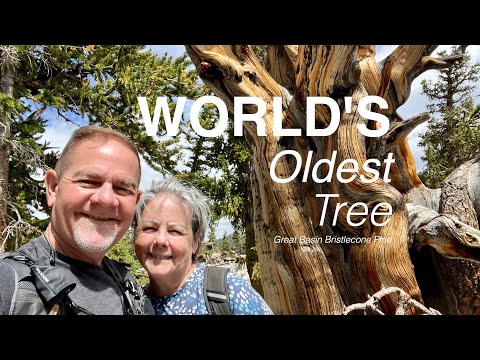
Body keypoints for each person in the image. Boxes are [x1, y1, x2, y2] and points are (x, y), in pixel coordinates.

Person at [0, 125, 152, 315]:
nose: (105, 199)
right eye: (88, 181)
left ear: (135, 202)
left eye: (122, 188)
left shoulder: (132, 290)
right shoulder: (8, 283)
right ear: (53, 188)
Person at [134, 177, 274, 315]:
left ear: (195, 241)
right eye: (149, 228)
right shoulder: (130, 303)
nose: (161, 240)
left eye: (175, 231)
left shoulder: (229, 290)